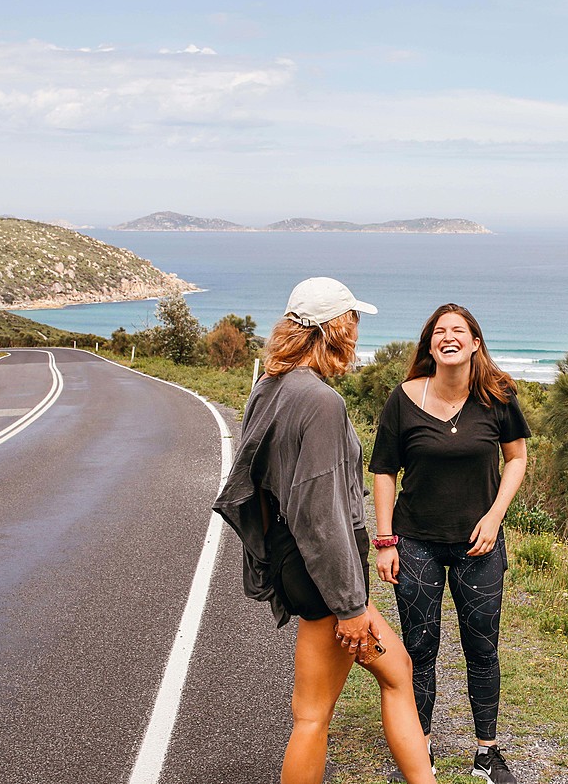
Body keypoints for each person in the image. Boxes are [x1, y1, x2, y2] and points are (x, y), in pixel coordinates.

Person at [213, 277, 435, 784]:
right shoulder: (320, 403)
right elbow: (323, 515)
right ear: (333, 328)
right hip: (324, 575)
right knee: (312, 716)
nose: (356, 331)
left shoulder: (269, 387)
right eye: (352, 321)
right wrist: (351, 608)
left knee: (396, 672)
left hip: (299, 562)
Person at [369, 303, 531, 784]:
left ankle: (486, 752)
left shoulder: (497, 397)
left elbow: (517, 458)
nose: (448, 337)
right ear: (430, 345)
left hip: (478, 546)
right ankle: (421, 749)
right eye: (440, 331)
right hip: (415, 542)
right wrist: (385, 541)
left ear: (475, 343)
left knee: (483, 648)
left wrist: (495, 515)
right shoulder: (403, 399)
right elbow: (382, 471)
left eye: (458, 331)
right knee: (420, 648)